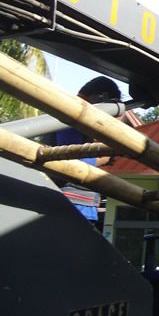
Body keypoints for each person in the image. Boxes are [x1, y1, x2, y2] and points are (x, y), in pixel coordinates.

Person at [55, 76, 121, 222]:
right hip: (72, 201)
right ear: (101, 98)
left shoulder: (75, 115)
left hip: (78, 201)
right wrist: (104, 158)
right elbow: (72, 160)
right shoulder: (71, 116)